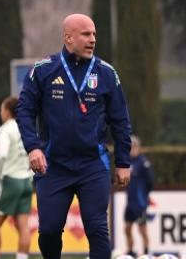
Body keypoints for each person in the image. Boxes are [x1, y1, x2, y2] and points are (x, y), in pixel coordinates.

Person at [16, 13, 133, 259]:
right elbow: (24, 111)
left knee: (98, 229)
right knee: (49, 231)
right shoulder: (43, 70)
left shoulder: (106, 73)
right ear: (68, 38)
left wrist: (123, 162)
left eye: (94, 34)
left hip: (93, 165)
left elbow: (121, 121)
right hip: (53, 165)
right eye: (86, 34)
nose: (93, 40)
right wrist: (33, 147)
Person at [0, 96, 33, 259]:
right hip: (26, 181)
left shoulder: (5, 130)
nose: (1, 113)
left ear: (7, 112)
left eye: (1, 109)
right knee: (23, 226)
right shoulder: (26, 127)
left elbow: (2, 155)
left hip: (9, 180)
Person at [121, 135, 155, 256]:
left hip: (140, 203)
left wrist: (145, 195)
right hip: (130, 202)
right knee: (127, 228)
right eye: (131, 147)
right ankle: (130, 251)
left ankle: (146, 251)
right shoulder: (127, 162)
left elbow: (150, 182)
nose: (133, 149)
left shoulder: (143, 162)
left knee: (142, 229)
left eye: (135, 146)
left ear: (138, 147)